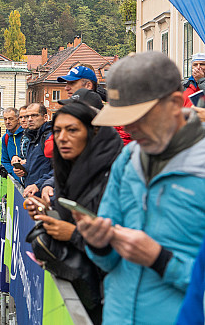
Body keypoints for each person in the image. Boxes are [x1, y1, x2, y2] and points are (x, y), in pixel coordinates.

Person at [74, 52, 205, 324]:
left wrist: (162, 261)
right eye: (123, 118)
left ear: (173, 103)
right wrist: (98, 244)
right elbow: (109, 262)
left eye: (139, 117)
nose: (129, 128)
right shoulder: (129, 157)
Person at [24, 101, 123, 323]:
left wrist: (72, 234)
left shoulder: (114, 173)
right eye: (57, 131)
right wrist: (46, 210)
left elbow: (120, 241)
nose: (62, 137)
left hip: (113, 294)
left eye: (72, 130)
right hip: (91, 289)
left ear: (93, 132)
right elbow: (72, 212)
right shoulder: (70, 169)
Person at [15, 103, 53, 197]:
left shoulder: (50, 137)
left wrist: (38, 185)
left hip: (46, 197)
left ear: (45, 117)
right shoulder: (32, 138)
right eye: (27, 116)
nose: (30, 119)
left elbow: (59, 170)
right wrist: (23, 170)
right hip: (32, 196)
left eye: (34, 115)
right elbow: (37, 166)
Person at [1, 107, 24, 183]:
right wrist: (14, 173)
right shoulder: (5, 138)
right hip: (16, 181)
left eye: (10, 119)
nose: (7, 122)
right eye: (5, 119)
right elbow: (4, 161)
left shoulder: (26, 134)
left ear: (18, 120)